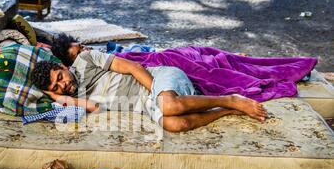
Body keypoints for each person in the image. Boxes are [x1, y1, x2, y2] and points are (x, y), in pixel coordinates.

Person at [31, 49, 267, 132]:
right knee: (177, 125)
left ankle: (231, 99)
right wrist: (59, 97)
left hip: (156, 79)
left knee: (170, 106)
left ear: (62, 66)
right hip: (147, 104)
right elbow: (95, 107)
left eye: (60, 77)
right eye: (56, 87)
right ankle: (225, 111)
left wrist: (155, 92)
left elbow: (133, 67)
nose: (63, 84)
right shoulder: (71, 98)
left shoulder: (85, 59)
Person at [49, 34, 318, 104]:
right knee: (211, 70)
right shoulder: (85, 72)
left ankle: (246, 62)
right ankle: (278, 71)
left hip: (160, 59)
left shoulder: (99, 54)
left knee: (207, 56)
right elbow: (133, 64)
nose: (84, 50)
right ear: (69, 64)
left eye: (81, 46)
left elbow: (135, 58)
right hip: (158, 66)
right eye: (78, 52)